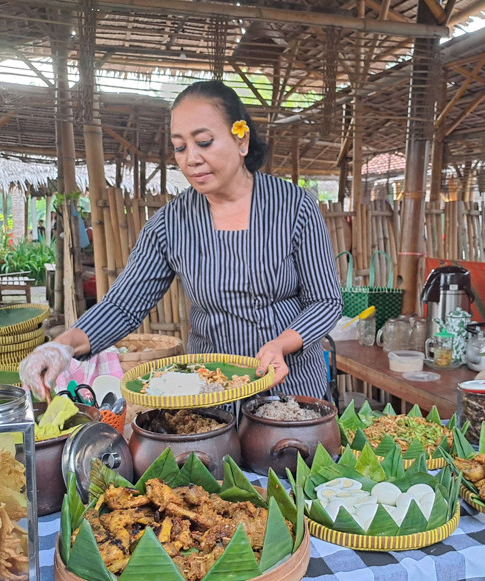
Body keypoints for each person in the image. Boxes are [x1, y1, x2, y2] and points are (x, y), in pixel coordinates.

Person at [19, 80, 343, 401]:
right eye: (180, 146)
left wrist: (280, 344)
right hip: (212, 391)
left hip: (292, 385)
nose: (191, 159)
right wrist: (60, 346)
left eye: (203, 142)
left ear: (241, 141)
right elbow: (123, 305)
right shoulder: (170, 224)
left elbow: (326, 301)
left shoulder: (292, 206)